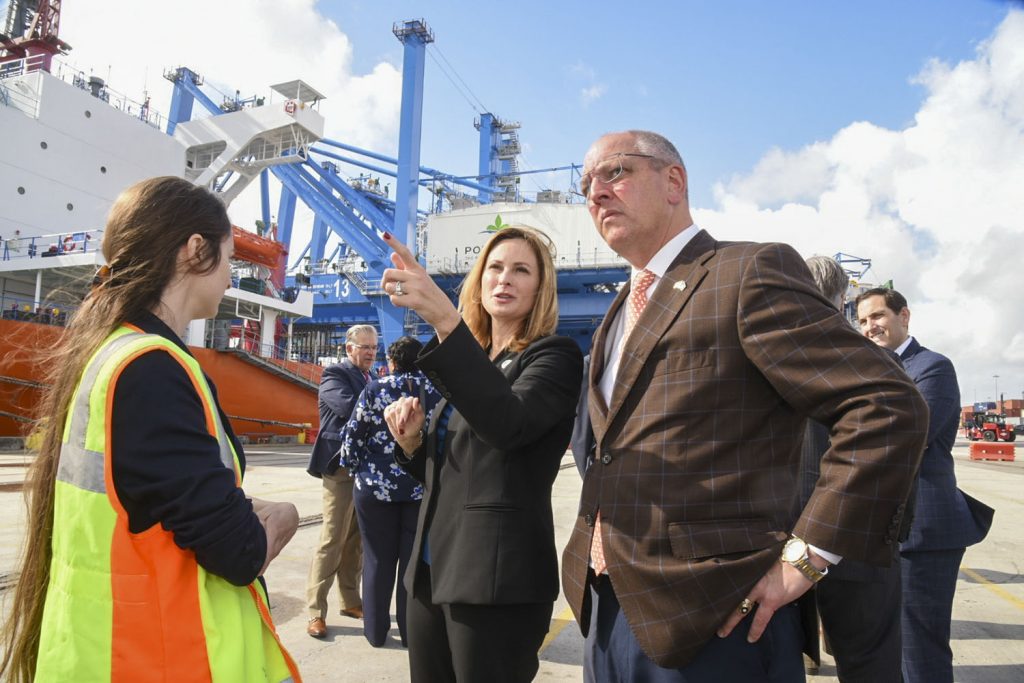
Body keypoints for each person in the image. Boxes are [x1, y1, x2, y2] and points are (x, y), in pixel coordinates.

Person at [560, 130, 929, 682]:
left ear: (673, 181)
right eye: (586, 184)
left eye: (615, 172)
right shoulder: (619, 310)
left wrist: (810, 557)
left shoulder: (747, 272)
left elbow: (885, 404)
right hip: (610, 606)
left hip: (719, 618)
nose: (596, 193)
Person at [0, 176, 301, 682]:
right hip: (156, 659)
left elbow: (144, 499)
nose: (230, 277)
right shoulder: (154, 369)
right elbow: (239, 552)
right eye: (228, 258)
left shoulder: (111, 350)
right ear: (194, 251)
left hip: (97, 651)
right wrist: (283, 517)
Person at [379, 226, 583, 683]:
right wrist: (412, 443)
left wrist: (446, 322)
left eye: (520, 270)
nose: (504, 279)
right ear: (479, 280)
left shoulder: (553, 357)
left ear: (540, 288)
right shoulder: (479, 362)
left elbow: (509, 427)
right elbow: (458, 469)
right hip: (431, 572)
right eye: (495, 267)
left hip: (494, 582)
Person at [855, 287, 994, 683]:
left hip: (924, 531)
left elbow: (911, 435)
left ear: (904, 316)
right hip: (884, 529)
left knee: (921, 647)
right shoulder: (870, 371)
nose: (870, 327)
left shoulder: (931, 367)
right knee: (892, 644)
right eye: (863, 320)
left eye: (878, 316)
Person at [800, 257, 905, 682]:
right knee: (870, 665)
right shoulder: (875, 361)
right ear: (842, 299)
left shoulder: (771, 358)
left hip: (785, 541)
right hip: (861, 546)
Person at [340, 335, 441, 648]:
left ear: (392, 361)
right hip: (418, 488)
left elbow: (353, 436)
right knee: (412, 562)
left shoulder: (375, 389)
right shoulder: (433, 392)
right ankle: (412, 632)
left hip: (374, 489)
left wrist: (355, 468)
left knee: (377, 560)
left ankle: (375, 632)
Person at [305, 324, 376, 637]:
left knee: (355, 538)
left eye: (374, 348)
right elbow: (349, 407)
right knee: (332, 538)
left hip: (363, 467)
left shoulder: (371, 378)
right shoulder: (334, 375)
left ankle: (350, 600)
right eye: (364, 347)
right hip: (339, 467)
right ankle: (315, 612)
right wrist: (386, 401)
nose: (370, 353)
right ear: (349, 349)